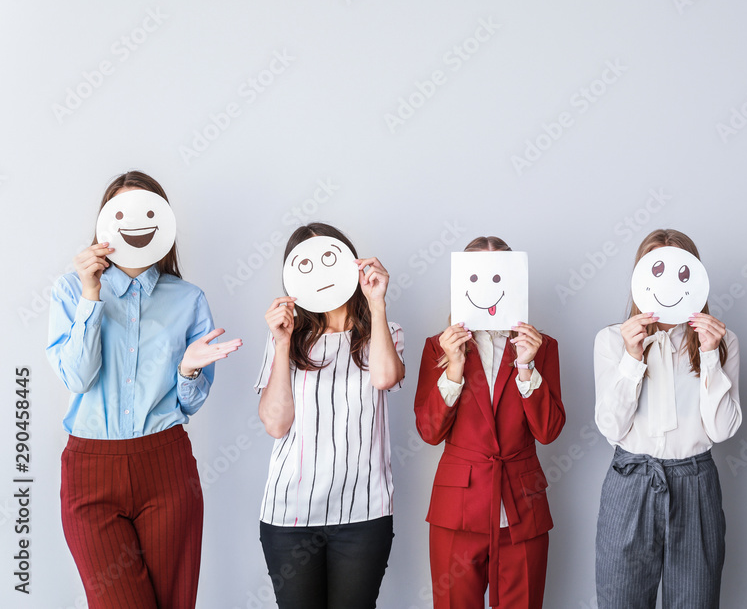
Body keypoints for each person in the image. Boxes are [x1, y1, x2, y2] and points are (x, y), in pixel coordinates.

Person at [46, 170, 241, 609]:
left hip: (166, 467)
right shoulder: (70, 291)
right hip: (91, 470)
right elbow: (77, 377)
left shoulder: (188, 299)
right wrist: (91, 294)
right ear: (105, 223)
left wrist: (189, 372)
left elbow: (190, 402)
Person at [254, 223, 404, 609]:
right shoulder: (285, 339)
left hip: (364, 512)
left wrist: (377, 302)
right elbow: (275, 423)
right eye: (306, 266)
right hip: (290, 514)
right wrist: (284, 343)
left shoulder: (383, 331)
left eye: (328, 260)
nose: (320, 273)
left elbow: (386, 377)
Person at [414, 235, 565, 609]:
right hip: (457, 509)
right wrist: (453, 366)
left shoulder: (542, 346)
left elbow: (548, 432)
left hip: (523, 507)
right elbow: (430, 431)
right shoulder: (439, 346)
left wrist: (527, 366)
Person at [594, 229, 741, 609]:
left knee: (695, 601)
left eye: (680, 272)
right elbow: (612, 428)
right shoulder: (611, 340)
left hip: (694, 482)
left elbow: (722, 430)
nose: (668, 283)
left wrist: (710, 355)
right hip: (631, 481)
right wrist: (631, 356)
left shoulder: (724, 342)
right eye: (656, 270)